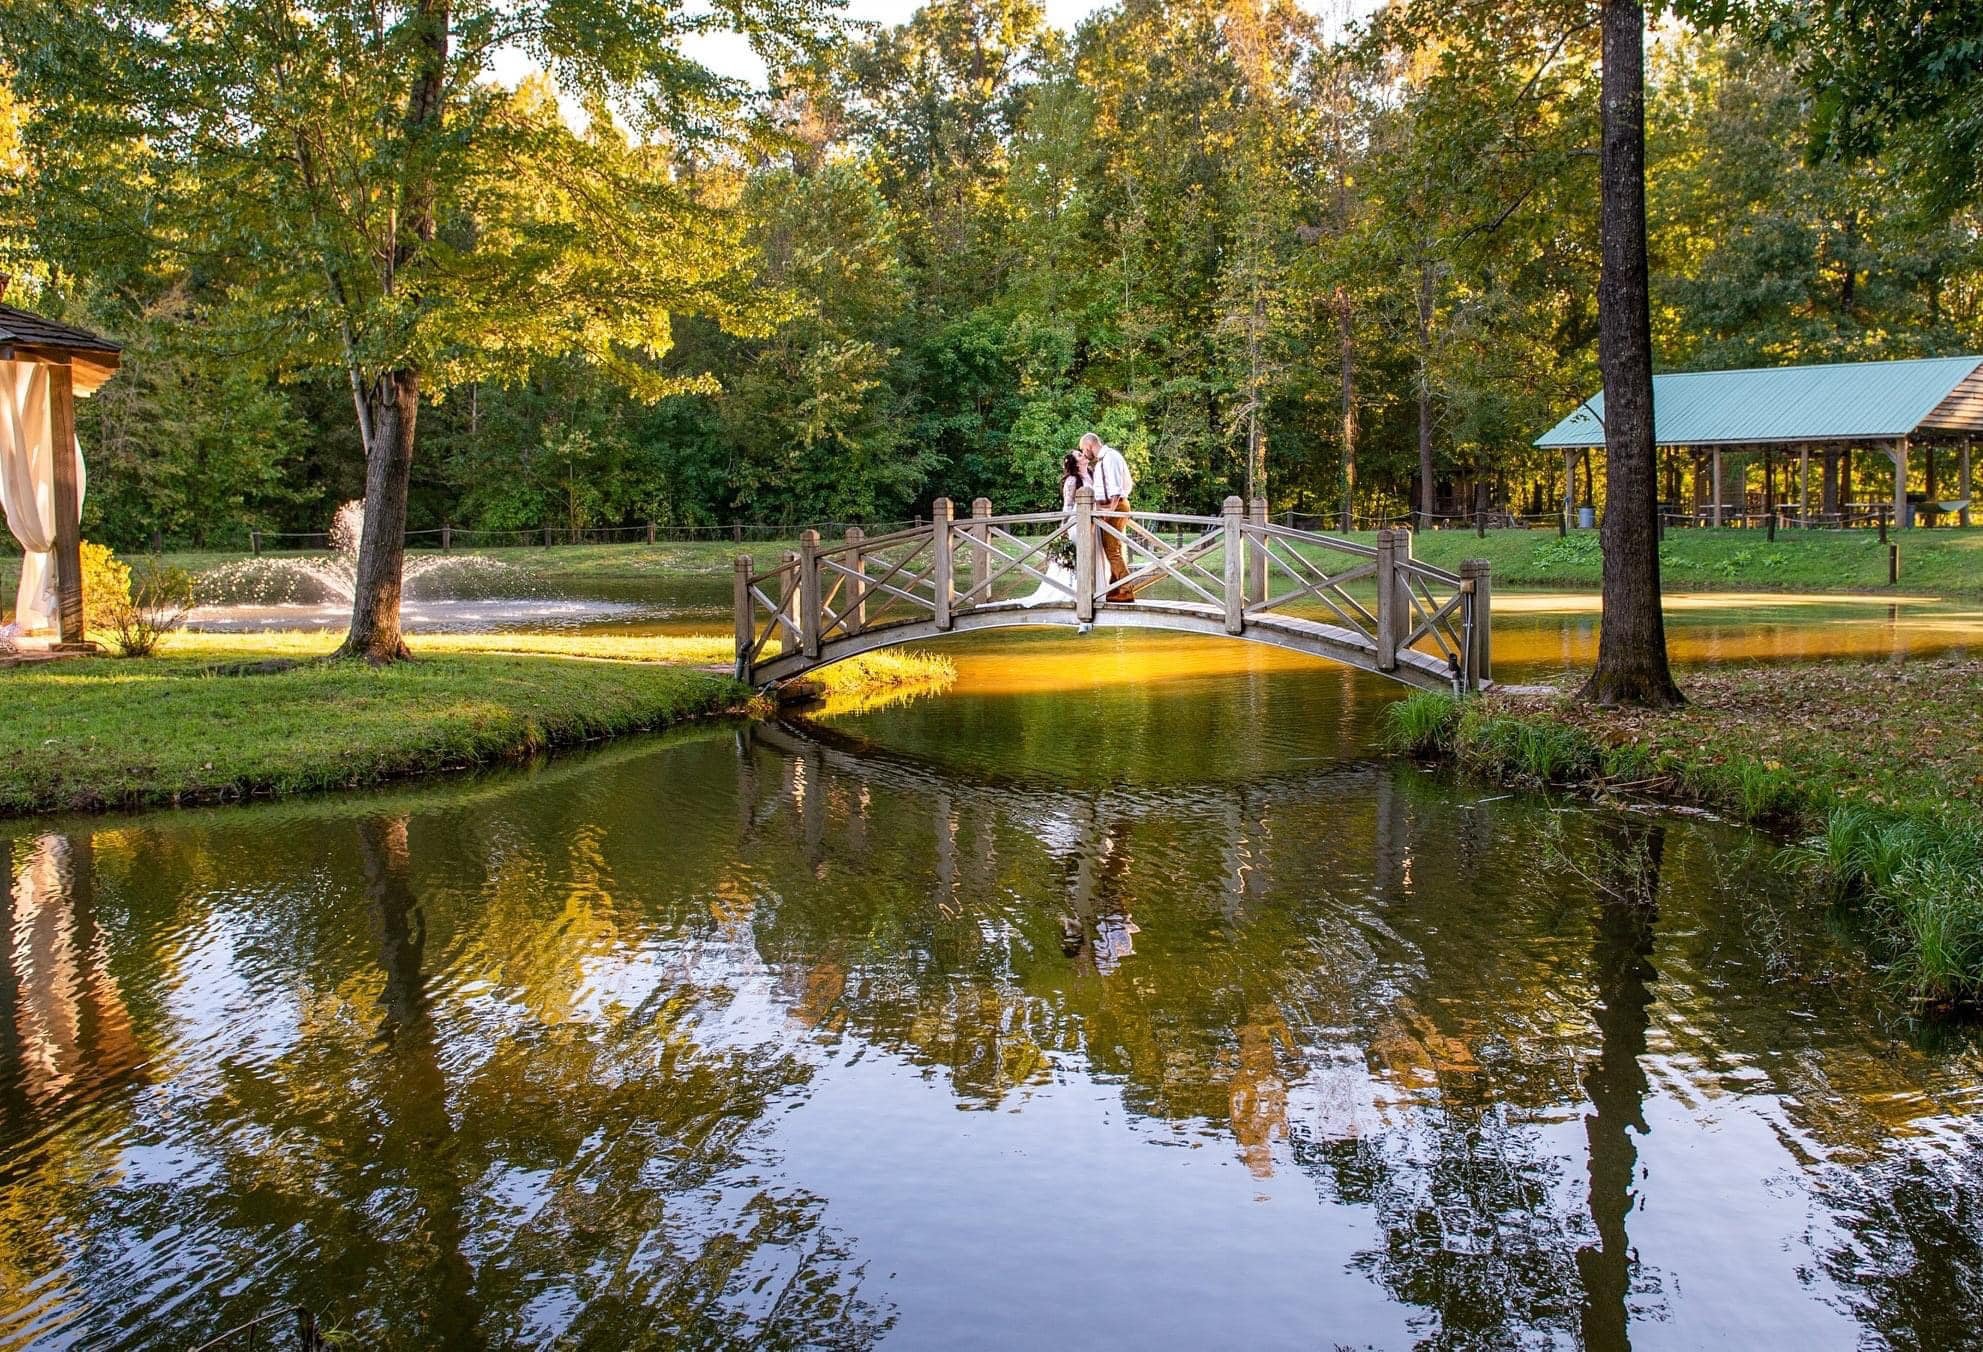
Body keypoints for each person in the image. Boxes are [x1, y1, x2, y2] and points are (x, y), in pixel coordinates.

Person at [1016, 452, 1087, 623]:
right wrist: (1064, 527)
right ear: (1075, 463)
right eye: (1079, 455)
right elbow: (1067, 505)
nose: (1083, 454)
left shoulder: (1090, 474)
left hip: (1091, 523)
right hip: (1076, 523)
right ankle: (1069, 590)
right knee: (1076, 555)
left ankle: (1087, 589)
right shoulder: (1072, 481)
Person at [1081, 432, 1136, 603]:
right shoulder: (1102, 461)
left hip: (1115, 506)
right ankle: (1115, 588)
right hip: (1110, 506)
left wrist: (1109, 512)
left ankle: (1126, 590)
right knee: (1111, 547)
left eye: (1083, 449)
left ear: (1090, 445)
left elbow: (1116, 489)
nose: (1083, 454)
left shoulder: (1110, 457)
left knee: (1112, 549)